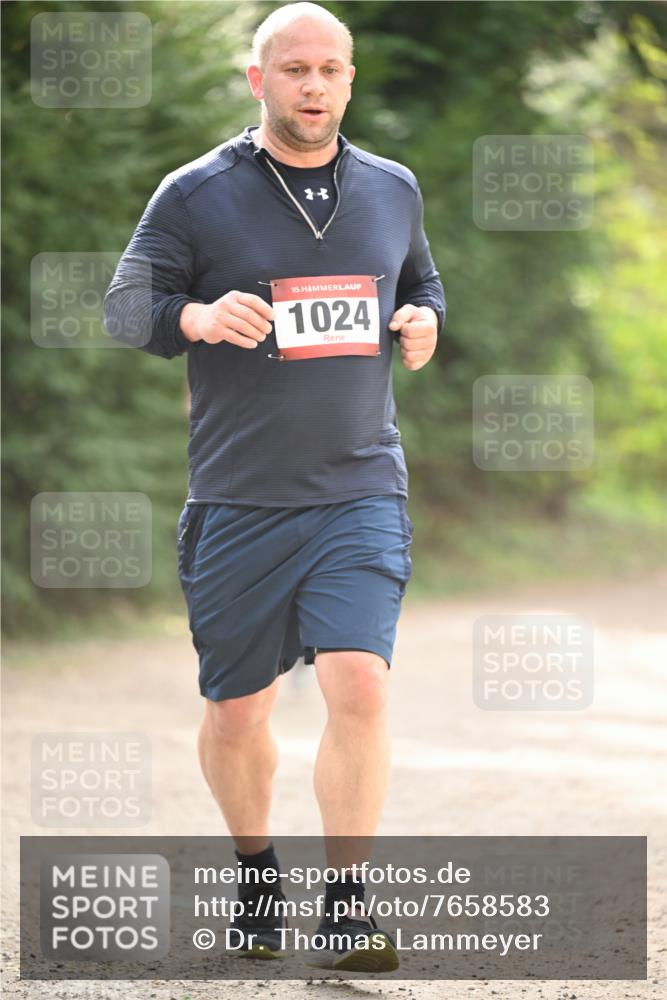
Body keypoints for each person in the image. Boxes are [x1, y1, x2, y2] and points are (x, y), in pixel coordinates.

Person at [104, 0, 445, 974]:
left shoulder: (391, 188)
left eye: (330, 69)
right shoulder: (195, 193)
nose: (313, 85)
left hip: (357, 486)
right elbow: (130, 307)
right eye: (293, 68)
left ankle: (347, 904)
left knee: (359, 684)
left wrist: (422, 320)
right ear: (259, 80)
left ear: (348, 79)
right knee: (237, 711)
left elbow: (417, 283)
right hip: (239, 496)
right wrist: (199, 315)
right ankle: (257, 873)